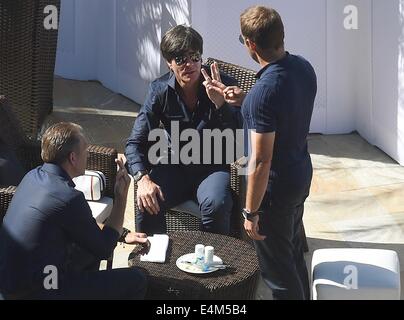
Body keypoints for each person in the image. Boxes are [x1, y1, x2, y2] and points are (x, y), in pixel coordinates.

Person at [211, 6, 317, 299]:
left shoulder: (263, 93)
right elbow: (286, 108)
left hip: (275, 193)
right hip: (300, 177)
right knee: (293, 256)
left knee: (278, 275)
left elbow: (260, 161)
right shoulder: (304, 68)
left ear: (251, 44)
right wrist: (244, 101)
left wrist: (250, 211)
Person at [0, 122, 148, 300]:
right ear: (72, 158)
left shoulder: (32, 177)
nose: (87, 154)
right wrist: (121, 197)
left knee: (86, 254)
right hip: (40, 290)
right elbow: (103, 248)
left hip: (13, 284)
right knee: (137, 279)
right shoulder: (68, 197)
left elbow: (80, 226)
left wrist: (122, 234)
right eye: (85, 150)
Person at [125, 25, 242, 236]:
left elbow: (240, 137)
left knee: (216, 204)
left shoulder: (224, 86)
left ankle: (214, 262)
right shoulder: (159, 90)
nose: (189, 65)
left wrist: (221, 105)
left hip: (212, 166)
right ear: (169, 64)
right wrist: (142, 178)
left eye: (195, 57)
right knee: (148, 200)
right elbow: (135, 142)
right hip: (175, 165)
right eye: (180, 59)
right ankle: (151, 263)